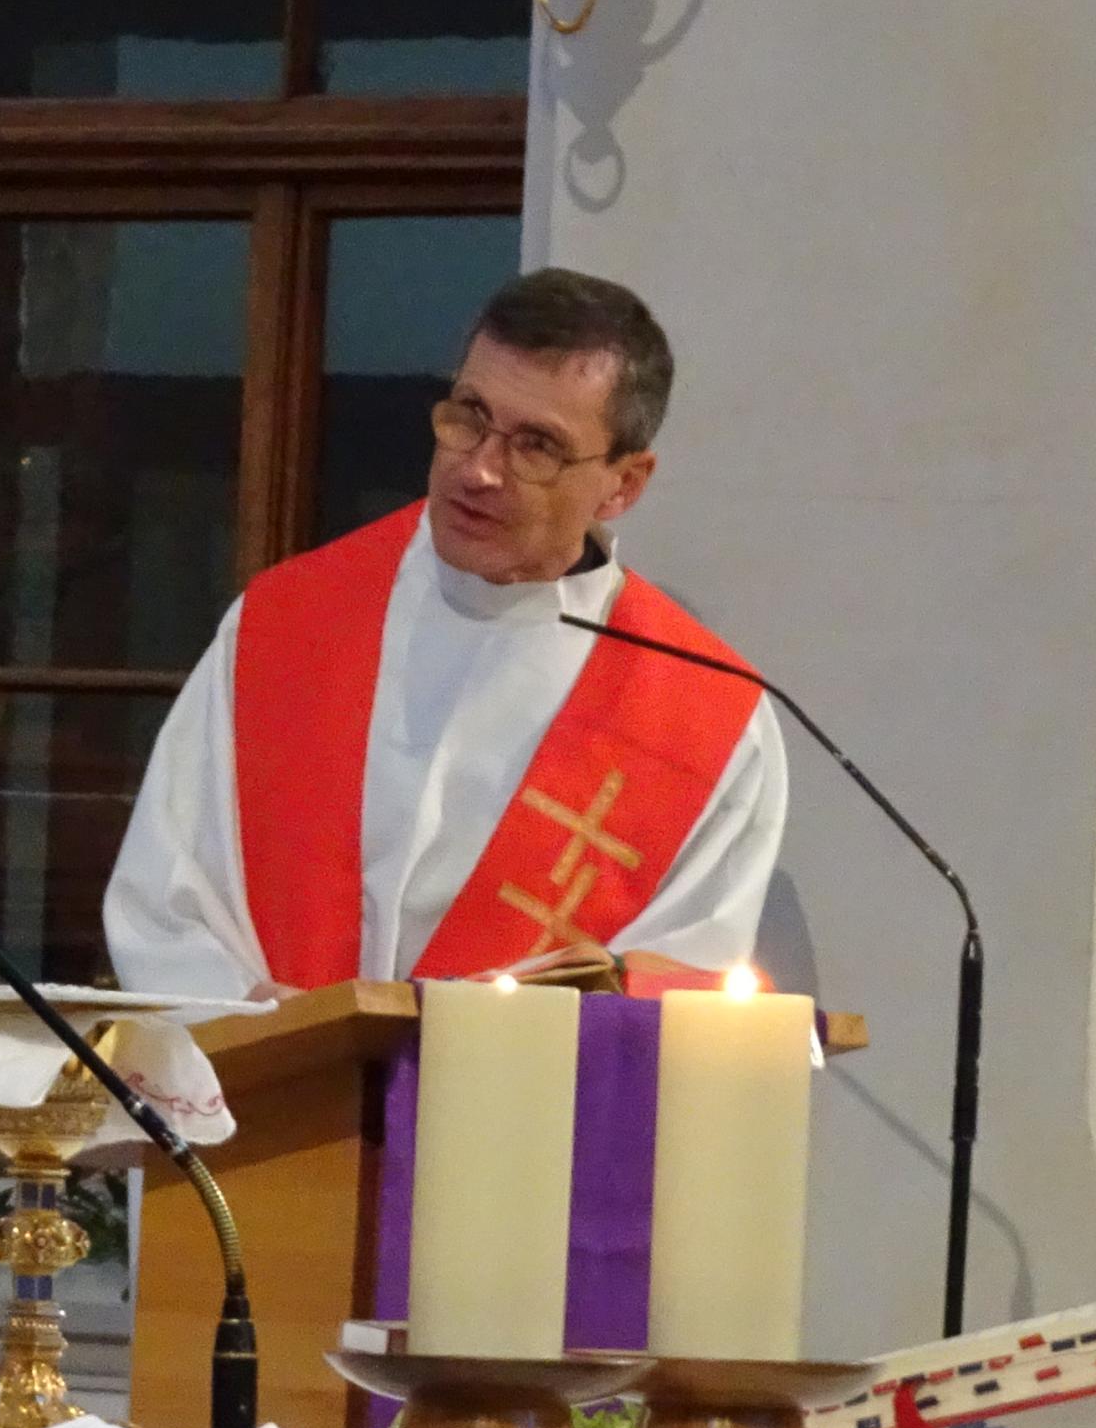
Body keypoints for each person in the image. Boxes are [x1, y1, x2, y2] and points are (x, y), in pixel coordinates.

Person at [104, 267, 790, 997]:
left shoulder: (705, 723)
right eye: (469, 416)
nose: (479, 471)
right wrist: (264, 1023)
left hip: (523, 1078)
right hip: (268, 1068)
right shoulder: (285, 625)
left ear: (624, 484)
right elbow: (165, 899)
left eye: (537, 446)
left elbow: (670, 994)